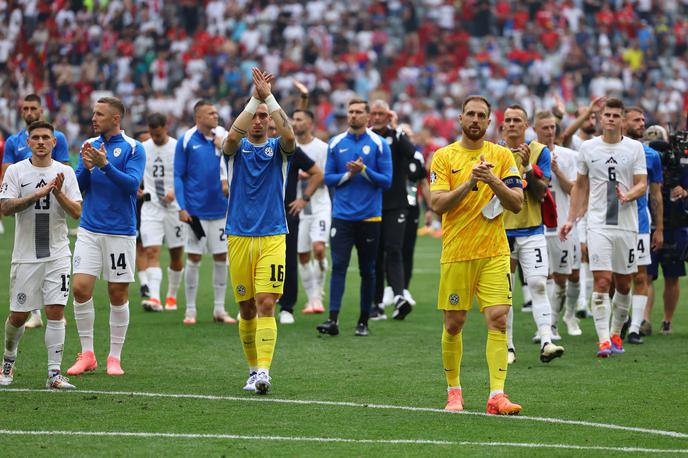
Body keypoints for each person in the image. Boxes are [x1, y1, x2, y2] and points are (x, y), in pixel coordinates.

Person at [431, 95, 524, 414]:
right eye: (469, 114)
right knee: (454, 324)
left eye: (481, 115)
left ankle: (497, 395)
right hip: (457, 253)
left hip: (495, 252)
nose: (474, 119)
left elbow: (516, 203)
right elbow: (437, 204)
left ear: (489, 121)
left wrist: (492, 179)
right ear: (460, 119)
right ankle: (454, 391)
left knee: (498, 319)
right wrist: (470, 181)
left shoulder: (501, 156)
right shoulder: (443, 157)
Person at [222, 68, 296, 394]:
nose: (258, 121)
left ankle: (264, 371)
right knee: (246, 307)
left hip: (273, 235)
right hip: (238, 235)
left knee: (267, 302)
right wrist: (255, 98)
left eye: (264, 117)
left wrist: (269, 98)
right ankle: (252, 370)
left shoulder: (279, 150)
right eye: (255, 115)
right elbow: (231, 138)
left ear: (270, 121)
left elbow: (291, 136)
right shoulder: (235, 150)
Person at [560, 98, 647, 357]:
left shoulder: (634, 149)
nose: (609, 118)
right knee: (602, 279)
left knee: (623, 284)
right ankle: (603, 341)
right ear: (600, 118)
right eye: (606, 114)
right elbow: (580, 187)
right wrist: (571, 219)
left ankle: (616, 333)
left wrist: (628, 195)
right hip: (598, 224)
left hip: (626, 225)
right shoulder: (588, 148)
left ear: (622, 120)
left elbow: (642, 183)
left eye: (615, 115)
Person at [66, 96, 146, 376]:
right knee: (80, 288)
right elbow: (77, 186)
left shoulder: (134, 148)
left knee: (117, 293)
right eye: (93, 114)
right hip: (89, 229)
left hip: (120, 233)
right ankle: (87, 354)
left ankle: (114, 357)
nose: (93, 118)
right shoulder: (88, 146)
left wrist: (104, 165)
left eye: (99, 114)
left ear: (116, 118)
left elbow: (132, 185)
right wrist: (87, 168)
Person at [0, 121, 82, 389]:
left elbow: (77, 213)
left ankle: (54, 374)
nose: (41, 142)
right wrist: (35, 195)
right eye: (35, 137)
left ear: (54, 142)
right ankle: (8, 362)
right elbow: (5, 208)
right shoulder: (16, 171)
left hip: (57, 254)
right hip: (25, 256)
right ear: (28, 141)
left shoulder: (65, 172)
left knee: (55, 310)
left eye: (46, 137)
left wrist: (57, 192)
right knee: (19, 315)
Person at [316, 98, 392, 337]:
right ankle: (332, 320)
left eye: (359, 112)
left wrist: (365, 171)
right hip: (342, 217)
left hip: (370, 217)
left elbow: (387, 181)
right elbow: (327, 178)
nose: (354, 115)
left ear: (368, 117)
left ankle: (363, 321)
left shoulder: (379, 144)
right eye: (351, 111)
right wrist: (349, 174)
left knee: (367, 270)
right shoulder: (336, 142)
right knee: (338, 266)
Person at [502, 105, 565, 364]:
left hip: (532, 229)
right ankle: (507, 347)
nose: (512, 124)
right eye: (508, 120)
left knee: (538, 284)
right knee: (504, 292)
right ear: (502, 125)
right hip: (501, 231)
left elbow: (541, 191)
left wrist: (528, 166)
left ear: (526, 125)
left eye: (517, 120)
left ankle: (547, 341)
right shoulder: (493, 152)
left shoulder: (540, 152)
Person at [2, 94, 71, 330]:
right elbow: (6, 172)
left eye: (33, 108)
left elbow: (64, 172)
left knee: (56, 307)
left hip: (53, 214)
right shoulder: (13, 142)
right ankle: (32, 312)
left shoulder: (58, 137)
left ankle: (54, 366)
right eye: (25, 108)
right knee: (32, 247)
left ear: (41, 111)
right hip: (26, 208)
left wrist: (56, 189)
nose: (29, 112)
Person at [174, 100, 234, 325]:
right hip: (195, 212)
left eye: (217, 112)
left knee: (221, 257)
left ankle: (219, 309)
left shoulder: (225, 136)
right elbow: (179, 175)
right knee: (194, 258)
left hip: (221, 208)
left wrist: (223, 146)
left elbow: (236, 162)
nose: (216, 116)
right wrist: (181, 206)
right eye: (211, 113)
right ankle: (190, 310)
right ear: (198, 117)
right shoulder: (187, 139)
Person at [533, 112, 583, 337]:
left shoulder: (569, 156)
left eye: (553, 127)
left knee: (569, 277)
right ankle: (548, 327)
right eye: (545, 127)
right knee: (542, 278)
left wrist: (556, 170)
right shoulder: (529, 154)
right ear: (535, 130)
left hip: (564, 224)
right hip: (538, 226)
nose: (550, 131)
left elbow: (573, 190)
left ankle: (569, 315)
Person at [369, 100, 416, 321]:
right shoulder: (365, 138)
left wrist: (397, 129)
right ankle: (376, 303)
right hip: (372, 204)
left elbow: (412, 152)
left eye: (382, 114)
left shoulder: (396, 137)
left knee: (394, 249)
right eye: (374, 113)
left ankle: (398, 296)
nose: (378, 117)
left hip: (396, 203)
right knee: (376, 254)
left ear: (389, 116)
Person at [274, 116, 323, 324]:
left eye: (271, 127)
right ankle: (253, 304)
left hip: (286, 213)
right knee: (255, 259)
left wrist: (303, 199)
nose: (267, 130)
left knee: (288, 260)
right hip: (258, 214)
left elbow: (317, 173)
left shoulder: (288, 149)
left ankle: (287, 307)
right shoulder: (249, 149)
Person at [623, 108, 663, 344]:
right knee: (611, 279)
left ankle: (635, 328)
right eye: (636, 120)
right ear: (623, 122)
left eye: (643, 120)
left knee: (641, 276)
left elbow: (656, 196)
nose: (642, 123)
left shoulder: (651, 155)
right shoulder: (602, 150)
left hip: (640, 222)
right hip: (609, 223)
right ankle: (619, 322)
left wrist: (659, 229)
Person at [643, 125, 688, 337]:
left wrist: (685, 190)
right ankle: (643, 319)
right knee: (646, 275)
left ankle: (667, 320)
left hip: (675, 224)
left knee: (672, 276)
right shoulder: (642, 159)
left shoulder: (681, 163)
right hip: (649, 224)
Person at [139, 113, 185, 312]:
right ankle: (155, 298)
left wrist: (175, 191)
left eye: (158, 134)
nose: (155, 138)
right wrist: (136, 187)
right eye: (152, 134)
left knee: (176, 255)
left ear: (166, 128)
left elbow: (185, 175)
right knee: (151, 251)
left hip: (174, 209)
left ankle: (172, 296)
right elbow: (134, 172)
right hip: (151, 208)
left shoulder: (177, 147)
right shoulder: (143, 148)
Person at [292, 109, 331, 315]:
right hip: (298, 207)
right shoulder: (290, 147)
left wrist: (308, 174)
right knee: (303, 256)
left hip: (320, 205)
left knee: (318, 249)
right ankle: (311, 299)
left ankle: (318, 293)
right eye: (294, 119)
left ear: (310, 124)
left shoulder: (322, 148)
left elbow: (328, 176)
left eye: (299, 120)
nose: (295, 123)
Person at [398, 123, 433, 306]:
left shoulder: (416, 157)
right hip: (389, 208)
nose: (406, 138)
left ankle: (404, 289)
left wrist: (428, 208)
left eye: (409, 135)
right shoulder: (388, 154)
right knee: (389, 249)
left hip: (411, 207)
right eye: (402, 134)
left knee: (408, 249)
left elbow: (423, 183)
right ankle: (390, 290)